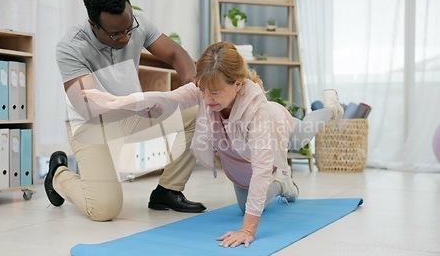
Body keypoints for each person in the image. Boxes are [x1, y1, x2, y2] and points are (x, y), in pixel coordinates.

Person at [82, 41, 343, 247]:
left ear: (237, 84)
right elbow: (165, 98)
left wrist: (248, 230)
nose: (205, 99)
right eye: (202, 90)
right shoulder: (206, 90)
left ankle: (331, 109)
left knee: (301, 135)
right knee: (247, 206)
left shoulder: (259, 112)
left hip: (274, 128)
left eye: (214, 93)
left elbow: (262, 169)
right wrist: (115, 102)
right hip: (241, 155)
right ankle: (283, 183)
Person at [46, 0, 206, 222]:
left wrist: (192, 81)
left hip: (135, 114)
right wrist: (138, 106)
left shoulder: (136, 23)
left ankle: (168, 190)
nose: (125, 38)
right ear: (94, 25)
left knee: (200, 111)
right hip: (91, 126)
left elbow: (175, 53)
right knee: (104, 209)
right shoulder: (71, 47)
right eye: (115, 33)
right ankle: (58, 176)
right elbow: (88, 107)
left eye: (128, 28)